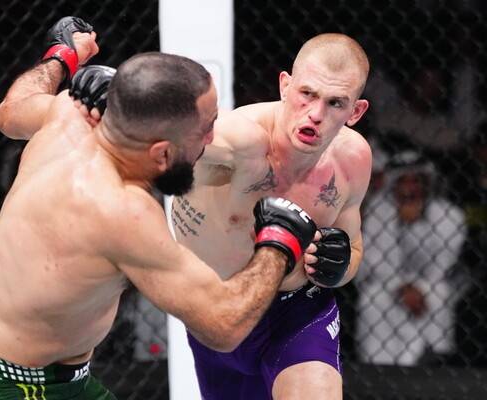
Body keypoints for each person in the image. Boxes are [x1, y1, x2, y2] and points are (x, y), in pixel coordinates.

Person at [0, 17, 319, 399]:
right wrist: (279, 244)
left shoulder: (67, 117)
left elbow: (11, 110)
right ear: (162, 153)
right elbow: (223, 324)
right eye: (205, 128)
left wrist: (61, 57)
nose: (212, 138)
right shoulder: (122, 213)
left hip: (43, 377)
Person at [167, 33, 372, 399]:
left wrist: (338, 264)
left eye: (335, 103)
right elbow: (161, 138)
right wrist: (108, 98)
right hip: (216, 310)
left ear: (355, 112)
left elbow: (352, 249)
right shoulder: (239, 140)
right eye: (307, 94)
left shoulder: (352, 160)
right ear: (285, 86)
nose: (316, 114)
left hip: (296, 314)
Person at [356, 150, 467, 365]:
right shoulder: (378, 212)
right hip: (388, 284)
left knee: (439, 296)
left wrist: (416, 226)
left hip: (432, 284)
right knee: (372, 299)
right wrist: (400, 286)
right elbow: (374, 260)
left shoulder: (451, 215)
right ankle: (376, 366)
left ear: (427, 183)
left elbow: (442, 266)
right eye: (403, 181)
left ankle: (433, 362)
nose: (410, 188)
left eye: (416, 181)